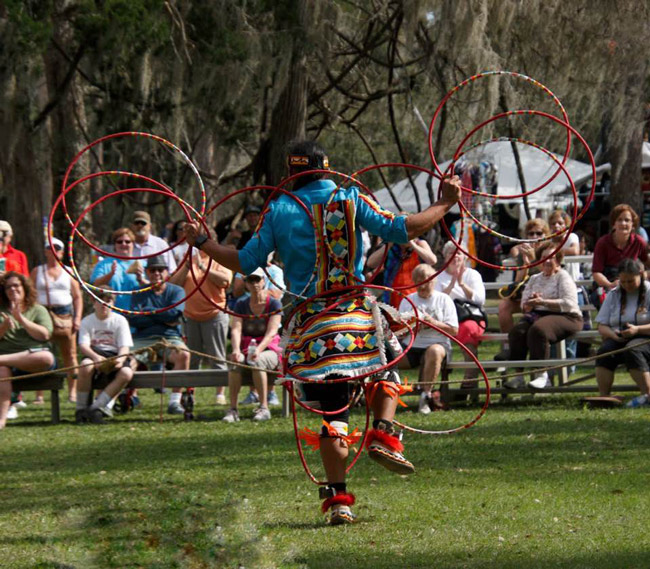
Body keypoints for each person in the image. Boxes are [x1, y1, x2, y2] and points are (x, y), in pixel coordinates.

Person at [184, 139, 462, 525]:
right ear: (327, 168)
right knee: (389, 367)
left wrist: (202, 242)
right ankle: (382, 432)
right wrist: (445, 203)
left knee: (335, 411)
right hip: (355, 312)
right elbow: (401, 230)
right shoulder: (349, 198)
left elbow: (245, 260)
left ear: (292, 173)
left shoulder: (279, 209)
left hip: (313, 326)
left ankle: (338, 502)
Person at [505, 242, 583, 389]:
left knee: (539, 329)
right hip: (538, 315)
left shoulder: (563, 277)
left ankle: (542, 375)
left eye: (552, 257)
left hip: (567, 316)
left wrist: (544, 302)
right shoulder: (534, 278)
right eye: (544, 257)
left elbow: (569, 303)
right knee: (517, 331)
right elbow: (524, 304)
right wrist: (529, 304)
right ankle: (518, 376)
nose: (547, 261)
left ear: (558, 260)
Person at [127, 255, 190, 415]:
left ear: (166, 272)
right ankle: (118, 397)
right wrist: (162, 315)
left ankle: (175, 401)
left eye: (160, 270)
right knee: (126, 359)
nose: (156, 273)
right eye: (153, 270)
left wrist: (147, 312)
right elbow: (134, 320)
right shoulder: (139, 292)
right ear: (147, 272)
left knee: (183, 355)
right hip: (143, 339)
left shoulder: (177, 291)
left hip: (170, 338)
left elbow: (174, 315)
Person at [169, 248, 232, 405]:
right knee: (192, 357)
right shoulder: (187, 259)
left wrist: (203, 267)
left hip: (214, 314)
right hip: (191, 316)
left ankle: (220, 394)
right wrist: (186, 267)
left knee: (216, 355)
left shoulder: (220, 258)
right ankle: (190, 392)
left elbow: (225, 281)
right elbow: (173, 285)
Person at [223, 268, 282, 423]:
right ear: (246, 283)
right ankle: (233, 409)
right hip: (246, 348)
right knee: (235, 361)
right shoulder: (241, 305)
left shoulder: (274, 304)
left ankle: (264, 408)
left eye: (257, 279)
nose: (255, 283)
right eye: (251, 280)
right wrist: (235, 350)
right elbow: (236, 329)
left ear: (264, 281)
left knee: (258, 360)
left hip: (270, 349)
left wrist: (259, 349)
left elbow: (271, 333)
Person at [398, 264, 458, 413]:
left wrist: (433, 322)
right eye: (418, 282)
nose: (422, 287)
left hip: (437, 344)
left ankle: (426, 397)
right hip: (411, 346)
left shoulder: (444, 299)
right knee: (385, 355)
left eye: (426, 282)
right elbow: (398, 331)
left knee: (434, 352)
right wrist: (412, 326)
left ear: (433, 281)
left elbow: (454, 330)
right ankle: (379, 395)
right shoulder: (408, 300)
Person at [30, 237, 83, 403]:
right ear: (46, 251)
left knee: (70, 355)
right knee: (39, 353)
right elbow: (30, 295)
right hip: (42, 315)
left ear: (62, 252)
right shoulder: (37, 271)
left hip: (65, 315)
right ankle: (40, 394)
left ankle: (73, 392)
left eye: (57, 248)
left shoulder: (69, 272)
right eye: (50, 248)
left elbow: (77, 297)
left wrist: (78, 318)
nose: (54, 251)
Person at [0, 272, 55, 429]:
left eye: (16, 285)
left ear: (24, 287)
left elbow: (45, 335)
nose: (13, 289)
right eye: (8, 287)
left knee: (46, 357)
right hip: (7, 364)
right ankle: (1, 419)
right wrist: (3, 328)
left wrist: (21, 320)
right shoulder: (1, 310)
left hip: (33, 360)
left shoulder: (38, 309)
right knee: (2, 371)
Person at [594, 258, 650, 407]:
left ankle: (647, 395)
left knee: (633, 349)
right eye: (623, 282)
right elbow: (602, 325)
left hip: (645, 337)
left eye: (630, 281)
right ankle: (604, 397)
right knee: (605, 351)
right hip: (620, 336)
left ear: (641, 274)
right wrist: (613, 336)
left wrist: (637, 329)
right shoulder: (614, 294)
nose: (626, 285)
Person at [75, 290, 134, 424]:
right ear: (93, 303)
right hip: (94, 353)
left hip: (114, 355)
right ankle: (81, 410)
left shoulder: (120, 320)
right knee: (85, 366)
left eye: (108, 301)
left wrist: (120, 360)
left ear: (113, 303)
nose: (104, 304)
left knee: (126, 373)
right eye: (99, 301)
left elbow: (124, 346)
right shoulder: (87, 321)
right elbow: (84, 346)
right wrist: (95, 357)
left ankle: (97, 408)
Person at [496, 218, 551, 357]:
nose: (534, 237)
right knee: (503, 306)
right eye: (530, 234)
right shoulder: (524, 252)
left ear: (546, 234)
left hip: (547, 297)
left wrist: (533, 260)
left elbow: (548, 275)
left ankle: (523, 351)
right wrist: (525, 265)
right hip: (527, 295)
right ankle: (508, 347)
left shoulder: (550, 250)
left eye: (538, 233)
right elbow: (518, 281)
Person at [434, 241, 486, 388]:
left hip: (470, 316)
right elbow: (436, 301)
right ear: (445, 257)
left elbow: (479, 300)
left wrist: (462, 283)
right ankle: (439, 385)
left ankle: (470, 376)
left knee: (467, 329)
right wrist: (451, 284)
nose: (455, 256)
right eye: (451, 253)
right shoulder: (439, 276)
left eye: (459, 253)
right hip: (447, 318)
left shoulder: (473, 274)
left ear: (465, 257)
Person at [592, 204, 649, 303]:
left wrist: (644, 275)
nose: (623, 223)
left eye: (627, 220)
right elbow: (597, 272)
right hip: (608, 281)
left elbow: (647, 262)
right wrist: (610, 284)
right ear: (614, 224)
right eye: (619, 220)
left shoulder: (639, 242)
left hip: (631, 281)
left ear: (633, 225)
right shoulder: (603, 243)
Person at [366, 238, 437, 308]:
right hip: (391, 296)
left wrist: (413, 245)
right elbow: (370, 263)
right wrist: (389, 245)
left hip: (412, 296)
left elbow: (432, 260)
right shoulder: (391, 246)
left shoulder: (419, 243)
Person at [90, 228, 146, 311]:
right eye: (119, 242)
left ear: (133, 244)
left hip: (137, 314)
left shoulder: (143, 264)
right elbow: (95, 286)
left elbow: (153, 287)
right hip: (111, 313)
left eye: (127, 241)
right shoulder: (103, 264)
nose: (123, 244)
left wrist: (141, 280)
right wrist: (110, 274)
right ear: (114, 245)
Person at [548, 209, 580, 280]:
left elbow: (574, 251)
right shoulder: (548, 241)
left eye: (560, 223)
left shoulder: (571, 236)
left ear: (566, 225)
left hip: (572, 282)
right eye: (553, 224)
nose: (556, 226)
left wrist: (553, 251)